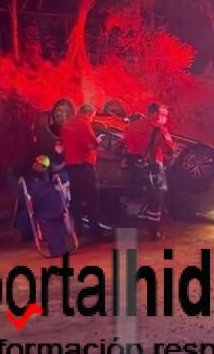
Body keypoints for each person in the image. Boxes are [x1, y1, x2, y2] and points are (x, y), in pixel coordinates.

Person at [122, 102, 176, 241]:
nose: (165, 118)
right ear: (156, 114)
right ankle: (154, 232)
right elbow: (169, 149)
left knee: (136, 195)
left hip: (134, 166)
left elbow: (123, 143)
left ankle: (131, 226)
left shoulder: (131, 126)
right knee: (156, 199)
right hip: (153, 167)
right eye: (164, 115)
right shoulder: (159, 129)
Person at [60, 103, 111, 240]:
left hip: (71, 167)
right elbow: (91, 145)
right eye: (92, 117)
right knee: (92, 198)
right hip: (85, 166)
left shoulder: (66, 124)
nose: (92, 119)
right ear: (88, 114)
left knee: (76, 198)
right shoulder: (84, 123)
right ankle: (95, 230)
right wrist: (98, 140)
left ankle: (78, 228)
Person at [24, 155, 71, 256]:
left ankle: (62, 250)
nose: (40, 168)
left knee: (60, 233)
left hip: (56, 211)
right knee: (53, 234)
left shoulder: (48, 178)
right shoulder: (33, 181)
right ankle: (57, 252)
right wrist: (57, 187)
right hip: (45, 212)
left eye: (43, 167)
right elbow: (40, 192)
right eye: (37, 165)